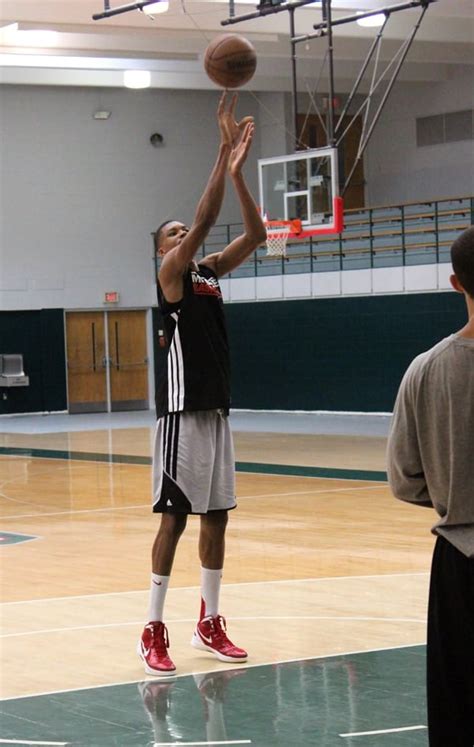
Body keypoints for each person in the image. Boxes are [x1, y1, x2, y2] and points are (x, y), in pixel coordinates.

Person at [137, 92, 267, 676]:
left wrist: (238, 174)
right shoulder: (170, 276)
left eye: (184, 232)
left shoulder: (208, 273)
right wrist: (220, 151)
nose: (184, 235)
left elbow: (258, 234)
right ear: (162, 251)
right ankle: (152, 627)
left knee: (217, 518)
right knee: (175, 519)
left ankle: (209, 621)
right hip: (180, 415)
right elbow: (209, 221)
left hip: (216, 411)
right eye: (174, 233)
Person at [386, 225, 474, 747]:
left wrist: (449, 491)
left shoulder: (425, 370)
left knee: (456, 711)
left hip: (459, 561)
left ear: (454, 282)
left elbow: (403, 479)